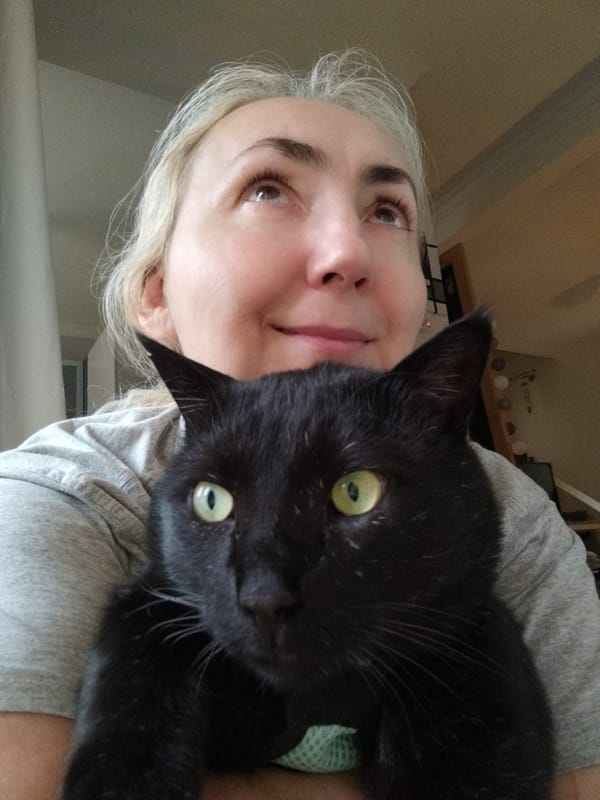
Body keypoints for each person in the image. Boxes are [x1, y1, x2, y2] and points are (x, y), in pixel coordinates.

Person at [0, 49, 599, 800]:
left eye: (386, 211)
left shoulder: (516, 518)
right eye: (268, 189)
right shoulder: (56, 497)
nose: (348, 252)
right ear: (155, 293)